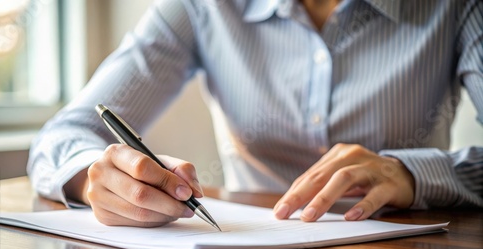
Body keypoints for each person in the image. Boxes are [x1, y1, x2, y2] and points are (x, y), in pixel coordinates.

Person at [28, 0, 483, 227]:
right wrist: (100, 177)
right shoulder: (203, 6)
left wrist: (413, 172)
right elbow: (63, 136)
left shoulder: (458, 8)